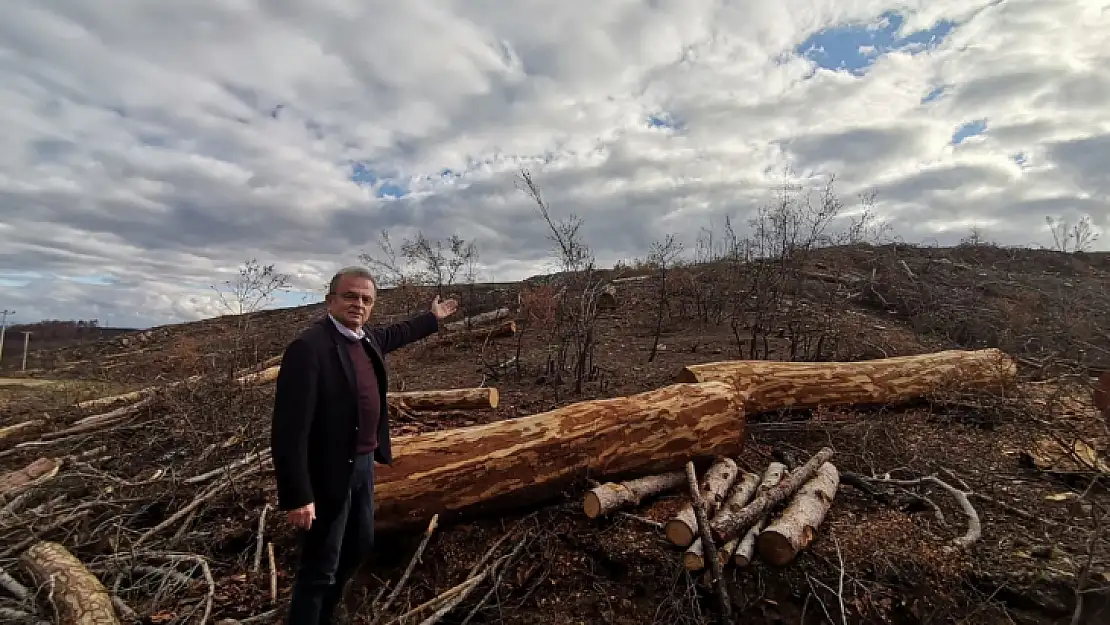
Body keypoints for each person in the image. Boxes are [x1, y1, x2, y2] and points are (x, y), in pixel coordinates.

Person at [270, 266, 458, 625]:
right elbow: (288, 430)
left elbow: (397, 334)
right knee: (320, 564)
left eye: (366, 299)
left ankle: (325, 615)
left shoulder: (366, 338)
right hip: (325, 472)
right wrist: (297, 495)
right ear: (331, 301)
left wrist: (431, 318)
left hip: (362, 466)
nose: (358, 304)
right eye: (350, 296)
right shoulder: (309, 348)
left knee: (358, 545)